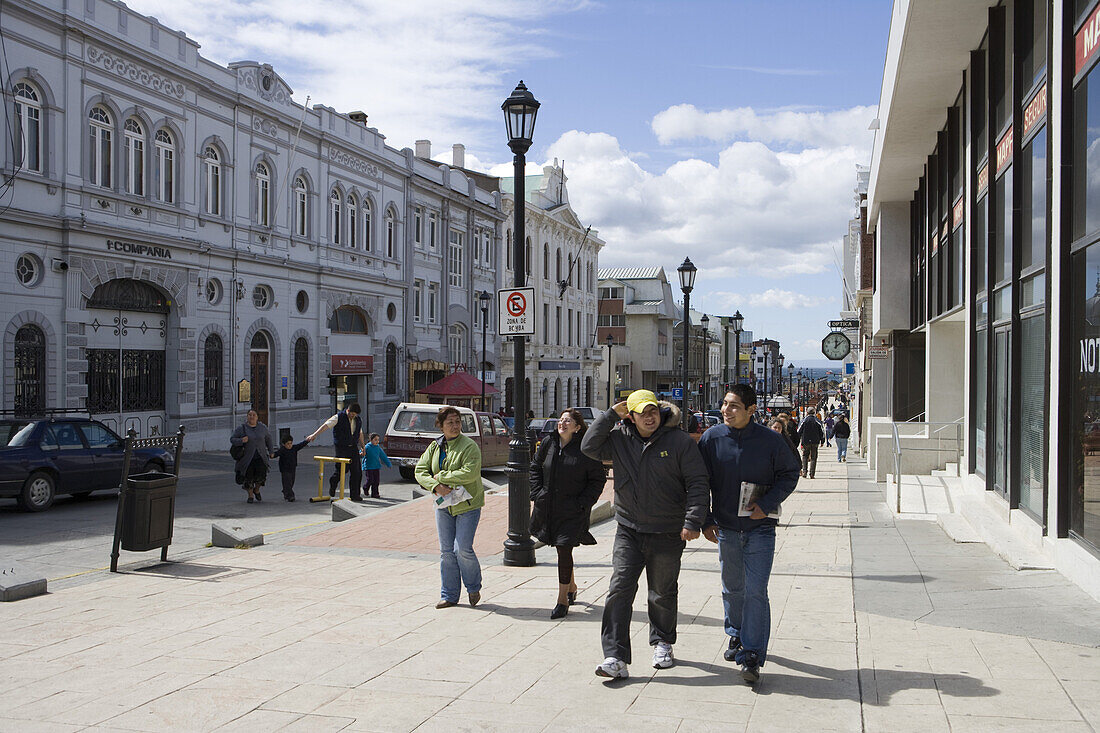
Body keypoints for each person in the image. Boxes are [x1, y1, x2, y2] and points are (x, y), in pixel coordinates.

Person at [580, 389, 709, 679]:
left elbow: (698, 482)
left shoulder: (679, 442)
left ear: (660, 413)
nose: (649, 417)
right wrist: (610, 414)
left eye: (653, 411)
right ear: (631, 416)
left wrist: (693, 521)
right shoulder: (619, 439)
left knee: (661, 592)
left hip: (667, 530)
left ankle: (662, 641)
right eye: (642, 413)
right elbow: (588, 447)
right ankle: (615, 656)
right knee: (619, 590)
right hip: (629, 529)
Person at [699, 385, 800, 685]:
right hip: (727, 528)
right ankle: (736, 634)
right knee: (732, 588)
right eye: (725, 404)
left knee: (756, 590)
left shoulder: (771, 441)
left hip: (760, 529)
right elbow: (698, 482)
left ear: (752, 410)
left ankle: (752, 654)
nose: (726, 411)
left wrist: (766, 505)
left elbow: (790, 474)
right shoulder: (711, 439)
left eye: (734, 406)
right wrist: (705, 519)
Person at [530, 408, 606, 619]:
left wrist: (583, 503)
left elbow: (597, 480)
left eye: (568, 421)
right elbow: (536, 466)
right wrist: (537, 493)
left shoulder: (585, 449)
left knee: (564, 548)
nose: (562, 423)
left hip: (572, 509)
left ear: (578, 427)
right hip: (549, 507)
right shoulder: (549, 443)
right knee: (561, 549)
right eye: (561, 420)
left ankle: (562, 599)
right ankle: (571, 586)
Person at [415, 406, 485, 609]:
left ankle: (473, 587)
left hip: (467, 505)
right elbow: (420, 470)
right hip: (444, 505)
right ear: (441, 426)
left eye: (457, 422)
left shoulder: (469, 446)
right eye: (450, 423)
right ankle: (449, 595)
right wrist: (435, 485)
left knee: (462, 548)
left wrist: (442, 477)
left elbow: (470, 473)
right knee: (446, 552)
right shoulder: (435, 447)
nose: (455, 426)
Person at [308, 403, 365, 501]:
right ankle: (333, 482)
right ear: (348, 410)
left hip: (353, 447)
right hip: (342, 447)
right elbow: (326, 426)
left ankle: (355, 495)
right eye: (352, 414)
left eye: (355, 414)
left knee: (357, 472)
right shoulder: (338, 417)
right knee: (342, 470)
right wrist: (314, 435)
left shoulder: (358, 419)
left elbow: (360, 433)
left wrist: (363, 447)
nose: (353, 416)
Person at [230, 409, 274, 503]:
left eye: (254, 415)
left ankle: (256, 490)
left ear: (257, 417)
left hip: (260, 457)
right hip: (247, 459)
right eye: (250, 415)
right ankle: (250, 496)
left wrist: (271, 451)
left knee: (261, 476)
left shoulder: (262, 428)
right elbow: (232, 439)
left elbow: (268, 439)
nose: (252, 417)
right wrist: (241, 440)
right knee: (248, 477)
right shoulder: (241, 428)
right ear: (247, 417)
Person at [272, 434, 312, 502]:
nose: (290, 445)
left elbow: (301, 445)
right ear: (283, 444)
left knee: (291, 482)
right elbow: (275, 454)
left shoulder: (294, 448)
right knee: (287, 482)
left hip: (292, 468)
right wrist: (272, 455)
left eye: (291, 443)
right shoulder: (282, 450)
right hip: (284, 469)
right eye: (288, 444)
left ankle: (286, 491)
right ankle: (290, 496)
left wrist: (307, 440)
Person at [362, 433, 392, 498]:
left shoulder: (378, 448)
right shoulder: (367, 447)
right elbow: (362, 452)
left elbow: (383, 456)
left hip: (376, 466)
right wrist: (361, 453)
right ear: (371, 440)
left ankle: (375, 493)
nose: (377, 441)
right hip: (369, 466)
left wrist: (388, 463)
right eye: (375, 440)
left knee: (376, 481)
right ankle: (365, 487)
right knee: (370, 480)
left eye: (378, 440)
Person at [798, 411, 825, 479]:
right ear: (814, 413)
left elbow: (799, 431)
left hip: (806, 441)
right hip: (815, 441)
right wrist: (822, 441)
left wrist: (799, 440)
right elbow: (822, 431)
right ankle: (812, 473)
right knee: (814, 457)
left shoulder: (804, 420)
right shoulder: (817, 421)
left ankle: (804, 471)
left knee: (805, 456)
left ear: (807, 412)